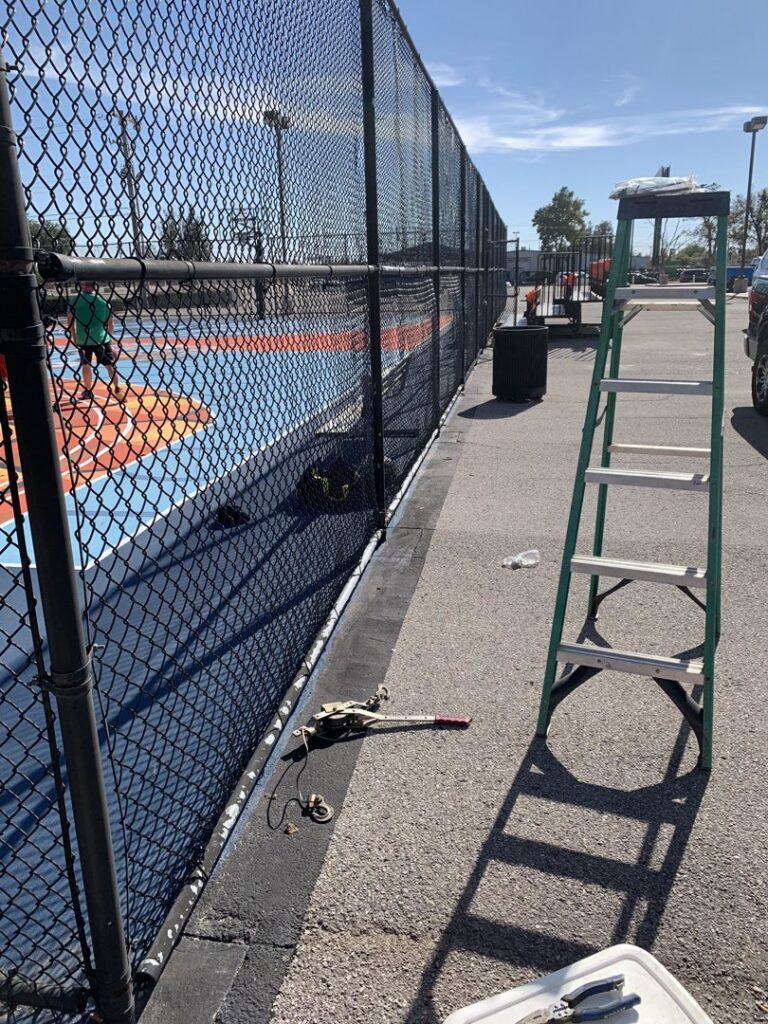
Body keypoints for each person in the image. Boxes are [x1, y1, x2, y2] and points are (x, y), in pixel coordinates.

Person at [66, 281, 124, 400]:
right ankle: (118, 388)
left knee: (86, 365)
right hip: (101, 339)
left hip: (83, 339)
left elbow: (70, 321)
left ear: (82, 286)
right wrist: (109, 339)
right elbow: (110, 324)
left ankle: (88, 390)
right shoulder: (103, 302)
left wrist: (74, 336)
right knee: (109, 365)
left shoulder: (75, 301)